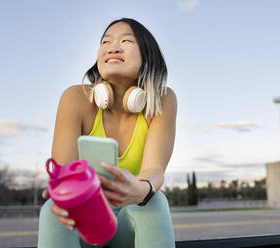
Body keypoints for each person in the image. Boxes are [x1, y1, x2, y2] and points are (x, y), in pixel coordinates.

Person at [38, 18, 177, 248]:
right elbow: (64, 174)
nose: (112, 47)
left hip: (128, 219)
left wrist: (141, 190)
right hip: (85, 221)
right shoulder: (75, 98)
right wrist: (65, 197)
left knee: (154, 202)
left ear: (147, 56)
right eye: (105, 42)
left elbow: (154, 170)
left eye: (126, 41)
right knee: (52, 211)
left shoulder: (163, 99)